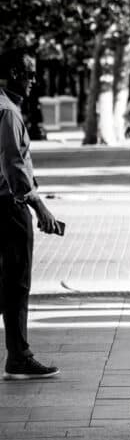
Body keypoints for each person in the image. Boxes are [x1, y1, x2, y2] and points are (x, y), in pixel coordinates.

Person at [0, 48, 61, 379]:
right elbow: (14, 166)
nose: (34, 80)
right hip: (9, 206)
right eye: (29, 74)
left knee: (7, 279)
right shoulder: (7, 112)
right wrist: (40, 207)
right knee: (17, 279)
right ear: (13, 73)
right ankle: (19, 355)